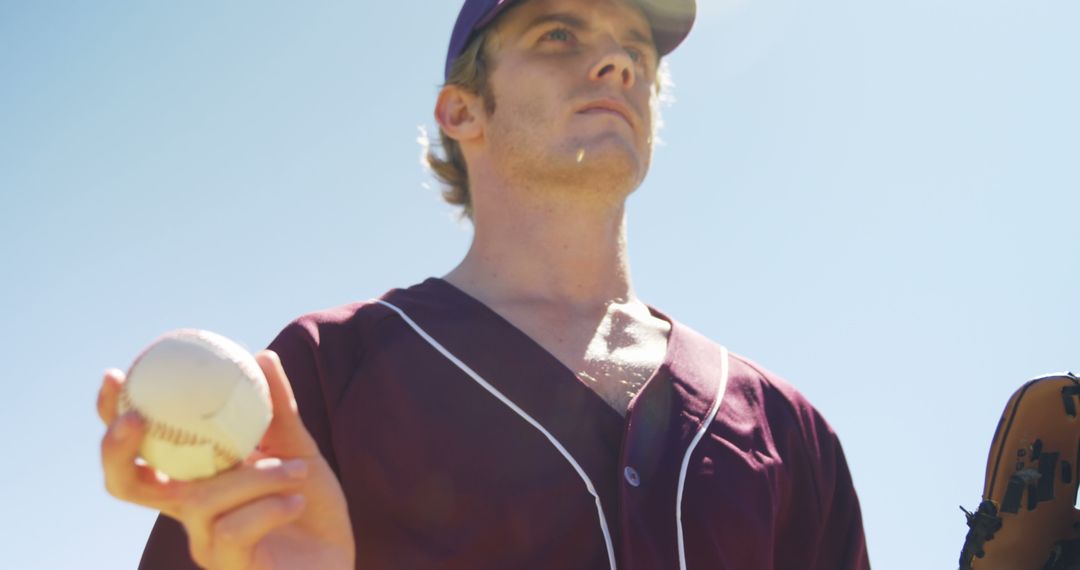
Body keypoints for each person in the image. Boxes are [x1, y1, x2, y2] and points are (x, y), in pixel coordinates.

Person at [97, 0, 871, 568]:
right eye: (558, 33)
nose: (620, 63)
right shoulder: (323, 374)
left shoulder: (785, 429)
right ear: (461, 109)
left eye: (636, 46)